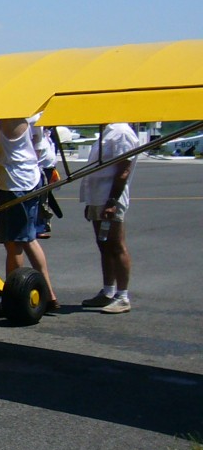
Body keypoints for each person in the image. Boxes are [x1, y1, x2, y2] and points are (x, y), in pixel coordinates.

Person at [0, 116, 60, 317]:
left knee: (13, 243)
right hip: (31, 177)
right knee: (29, 239)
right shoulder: (33, 116)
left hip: (14, 183)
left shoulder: (10, 115)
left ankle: (13, 299)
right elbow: (39, 145)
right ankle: (49, 295)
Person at [79, 123, 138, 314]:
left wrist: (112, 201)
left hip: (109, 196)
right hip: (97, 196)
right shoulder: (106, 131)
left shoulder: (121, 132)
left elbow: (124, 170)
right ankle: (107, 291)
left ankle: (122, 296)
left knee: (116, 245)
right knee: (103, 245)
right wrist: (89, 201)